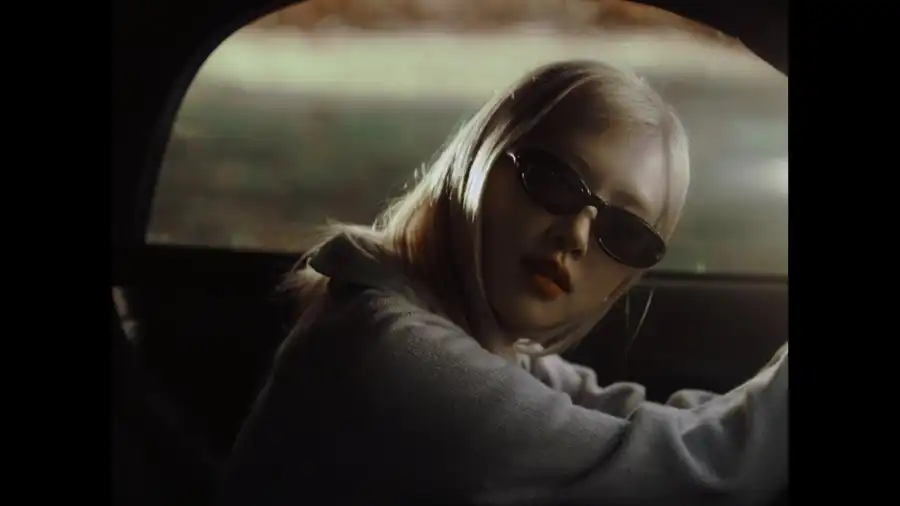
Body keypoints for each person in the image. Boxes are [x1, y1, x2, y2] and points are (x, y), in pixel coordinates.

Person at [218, 60, 788, 506]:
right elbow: (705, 470)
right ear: (478, 160)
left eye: (625, 232)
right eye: (555, 181)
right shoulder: (390, 354)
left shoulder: (475, 338)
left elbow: (635, 420)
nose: (576, 235)